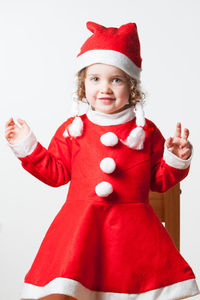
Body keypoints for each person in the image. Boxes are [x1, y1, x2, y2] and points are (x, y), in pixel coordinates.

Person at [5, 21, 200, 300]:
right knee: (60, 292)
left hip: (132, 237)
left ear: (131, 86)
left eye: (116, 79)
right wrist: (27, 145)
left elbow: (158, 181)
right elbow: (55, 173)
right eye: (95, 79)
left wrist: (177, 158)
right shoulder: (73, 130)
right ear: (83, 85)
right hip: (80, 231)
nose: (105, 88)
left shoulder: (145, 132)